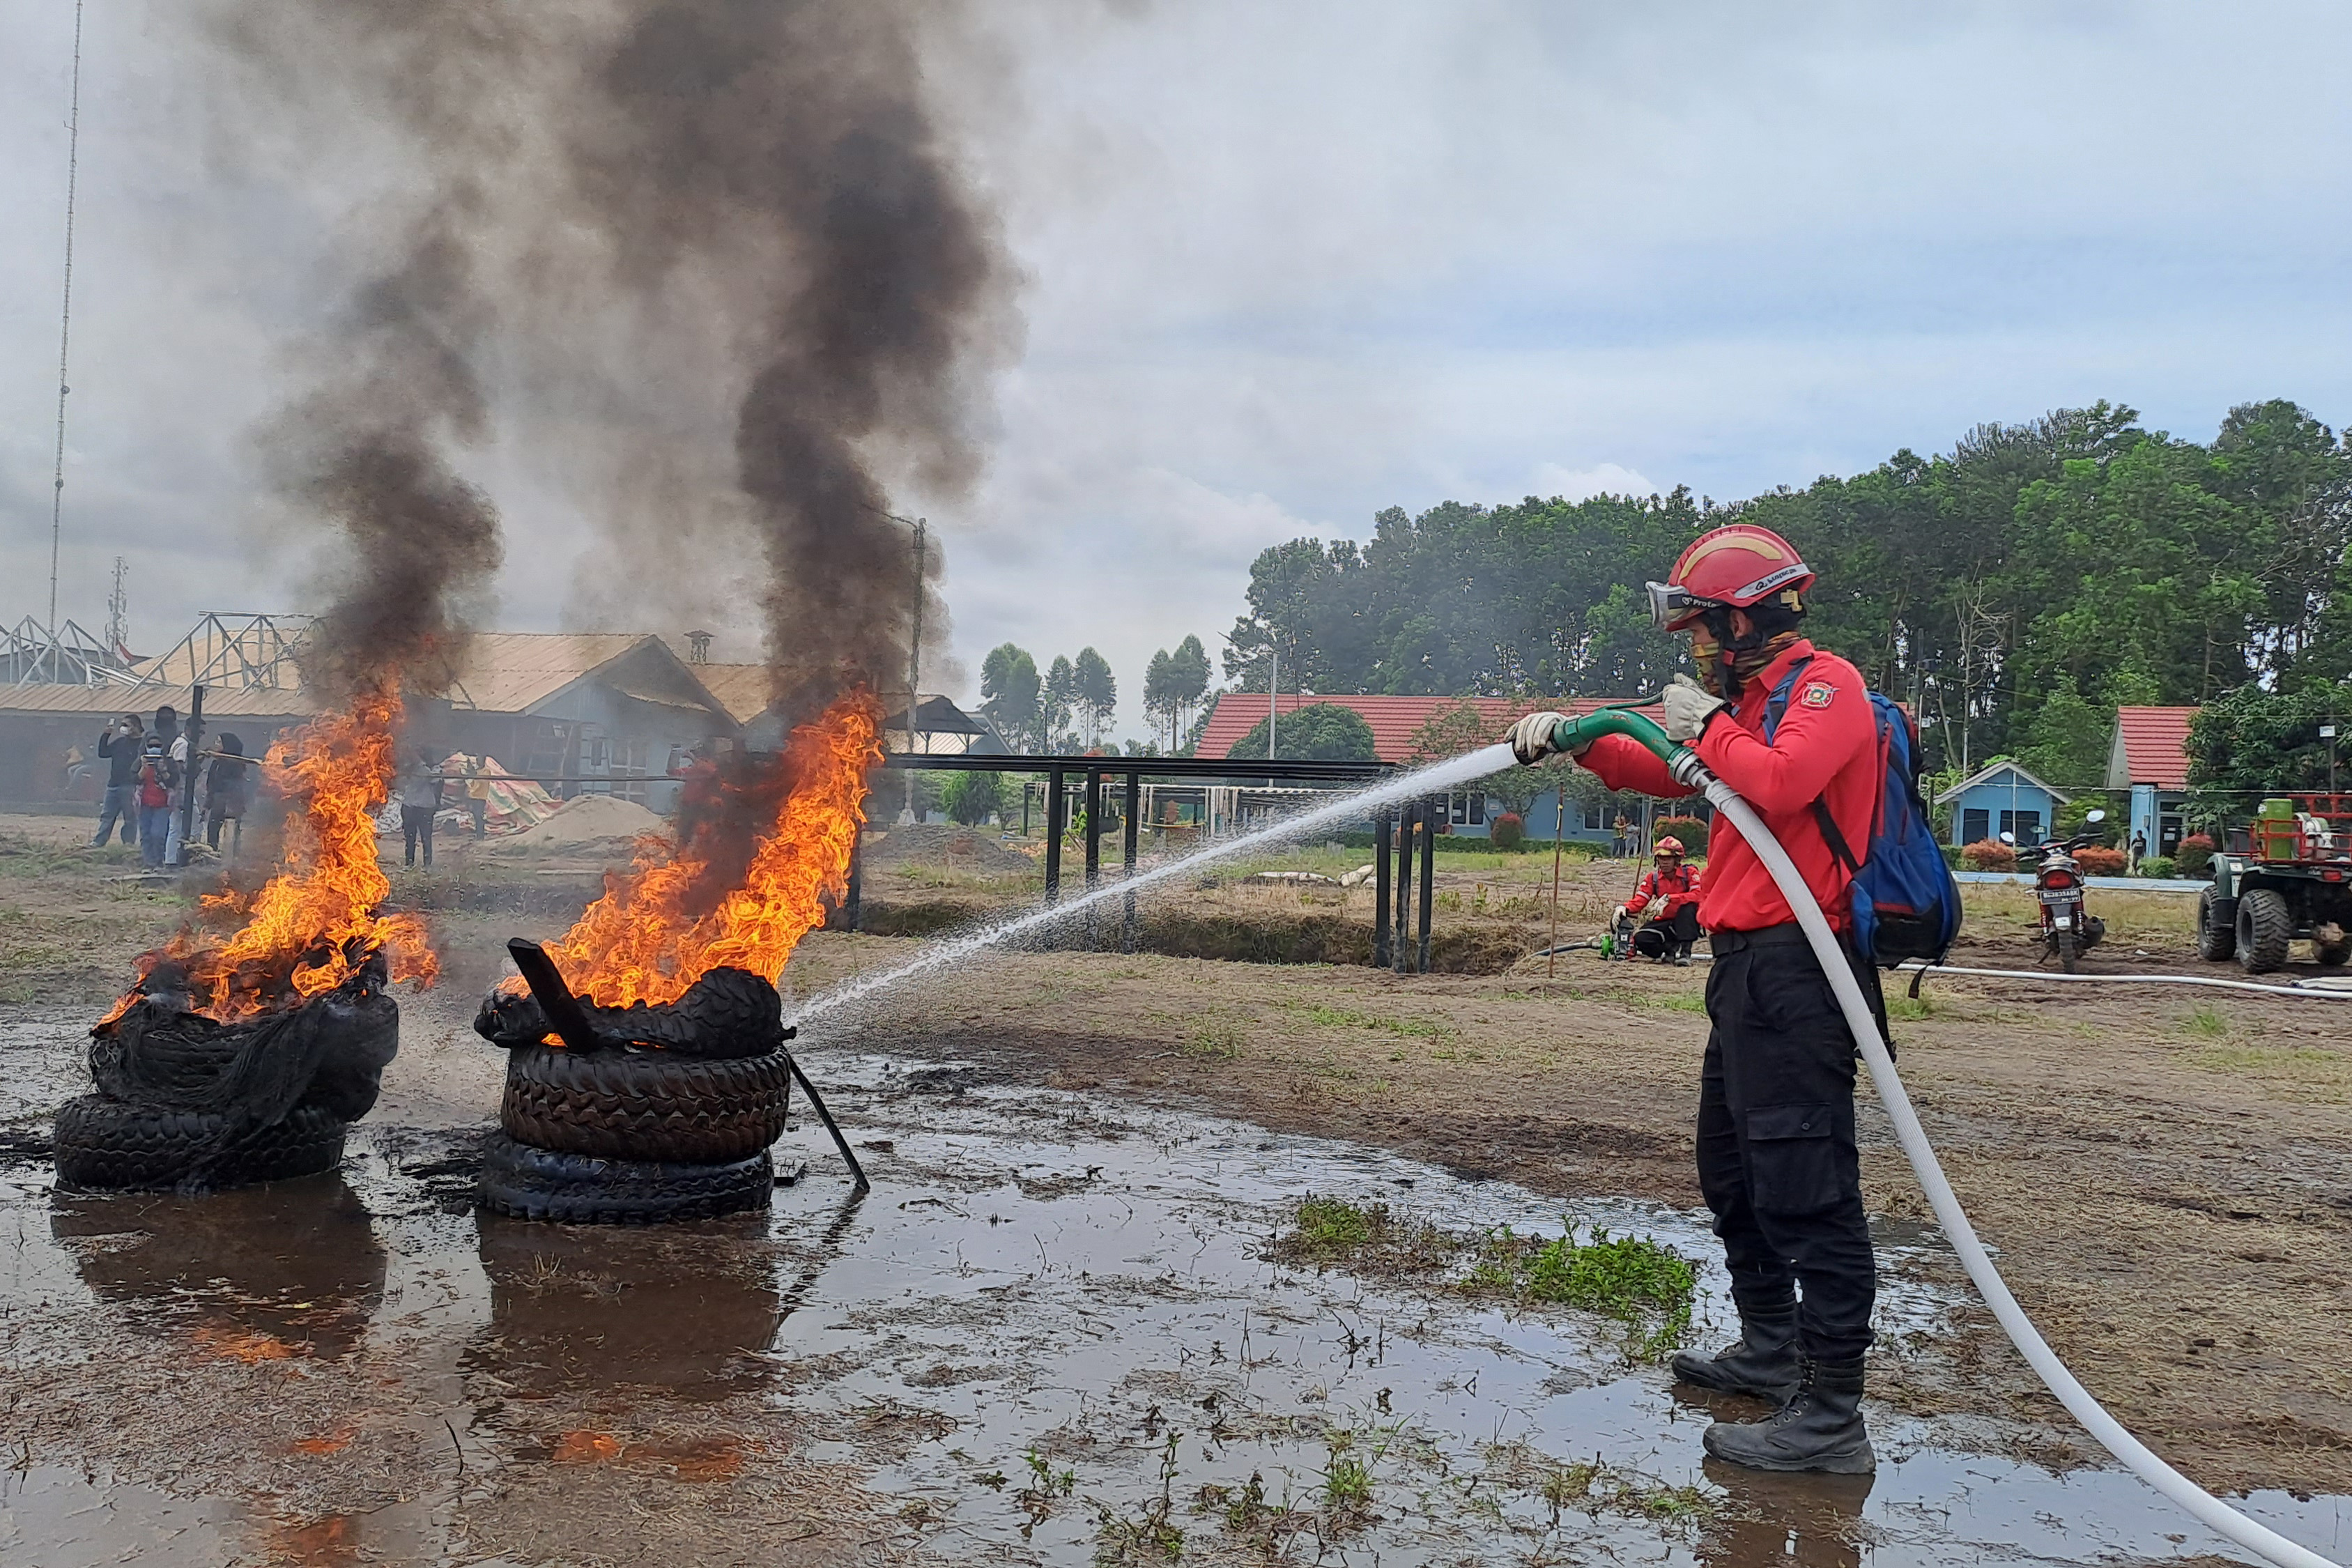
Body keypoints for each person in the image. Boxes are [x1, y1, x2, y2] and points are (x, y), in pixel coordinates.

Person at [1509, 522, 1884, 1475]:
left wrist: (1701, 726)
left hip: (1806, 968)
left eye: (1703, 631)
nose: (1695, 650)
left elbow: (1783, 781)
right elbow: (1652, 763)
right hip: (1743, 969)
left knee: (1806, 1189)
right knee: (1730, 1170)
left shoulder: (1820, 688)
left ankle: (1832, 1415)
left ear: (1749, 617)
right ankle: (1769, 1346)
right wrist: (1574, 737)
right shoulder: (1739, 704)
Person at [1626, 835, 1703, 964]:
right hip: (1664, 922)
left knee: (1687, 908)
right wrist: (1624, 909)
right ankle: (1669, 951)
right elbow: (1640, 899)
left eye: (1668, 858)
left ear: (1677, 859)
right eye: (1661, 858)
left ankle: (1685, 953)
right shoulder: (1653, 878)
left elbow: (1699, 895)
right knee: (1641, 939)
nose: (1664, 862)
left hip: (1686, 923)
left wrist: (1671, 898)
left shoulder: (1690, 873)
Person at [91, 714, 144, 847]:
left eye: (127, 725)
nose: (123, 728)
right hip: (113, 785)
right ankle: (99, 842)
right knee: (107, 816)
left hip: (130, 786)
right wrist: (106, 735)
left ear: (136, 727)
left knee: (130, 818)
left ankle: (128, 843)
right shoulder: (120, 742)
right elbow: (103, 753)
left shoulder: (142, 744)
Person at [133, 725, 179, 869]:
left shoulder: (168, 762)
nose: (154, 748)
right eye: (151, 745)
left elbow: (173, 781)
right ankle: (149, 863)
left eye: (157, 746)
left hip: (162, 805)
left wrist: (163, 770)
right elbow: (134, 779)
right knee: (146, 835)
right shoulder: (141, 761)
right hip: (145, 804)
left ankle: (159, 862)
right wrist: (144, 768)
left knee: (158, 835)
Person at [205, 732, 252, 857]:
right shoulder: (216, 763)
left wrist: (232, 804)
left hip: (231, 802)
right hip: (218, 801)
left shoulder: (236, 764)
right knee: (213, 829)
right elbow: (211, 785)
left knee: (232, 832)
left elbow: (235, 786)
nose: (216, 744)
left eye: (219, 742)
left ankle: (233, 857)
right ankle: (212, 853)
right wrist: (207, 804)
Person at [398, 750, 445, 868]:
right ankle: (411, 863)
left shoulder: (428, 770)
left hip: (422, 808)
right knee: (412, 838)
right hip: (411, 806)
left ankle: (425, 865)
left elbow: (435, 780)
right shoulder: (414, 768)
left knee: (424, 838)